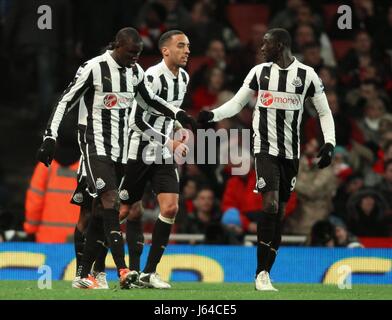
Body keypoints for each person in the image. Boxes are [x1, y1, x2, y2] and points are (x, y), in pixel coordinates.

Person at [36, 27, 195, 289]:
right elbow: (65, 100)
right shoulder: (93, 67)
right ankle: (122, 269)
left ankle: (85, 274)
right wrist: (50, 136)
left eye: (139, 54)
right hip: (94, 144)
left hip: (121, 150)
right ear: (117, 46)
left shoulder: (135, 72)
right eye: (131, 53)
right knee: (107, 203)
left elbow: (149, 99)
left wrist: (177, 114)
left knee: (101, 210)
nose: (135, 58)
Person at [197, 28, 335, 291]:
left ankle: (267, 271)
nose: (261, 48)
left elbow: (325, 112)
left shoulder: (307, 75)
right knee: (270, 204)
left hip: (290, 154)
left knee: (280, 211)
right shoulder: (259, 73)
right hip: (264, 149)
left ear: (280, 45)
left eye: (266, 44)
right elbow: (237, 104)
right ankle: (260, 273)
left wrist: (330, 143)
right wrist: (211, 115)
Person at [119, 30, 192, 289]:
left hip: (161, 154)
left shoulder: (183, 78)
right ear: (165, 51)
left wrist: (176, 131)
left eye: (188, 47)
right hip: (138, 151)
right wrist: (169, 141)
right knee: (126, 210)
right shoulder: (151, 76)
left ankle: (149, 273)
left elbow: (168, 116)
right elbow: (137, 120)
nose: (187, 51)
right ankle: (94, 266)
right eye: (181, 46)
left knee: (171, 207)